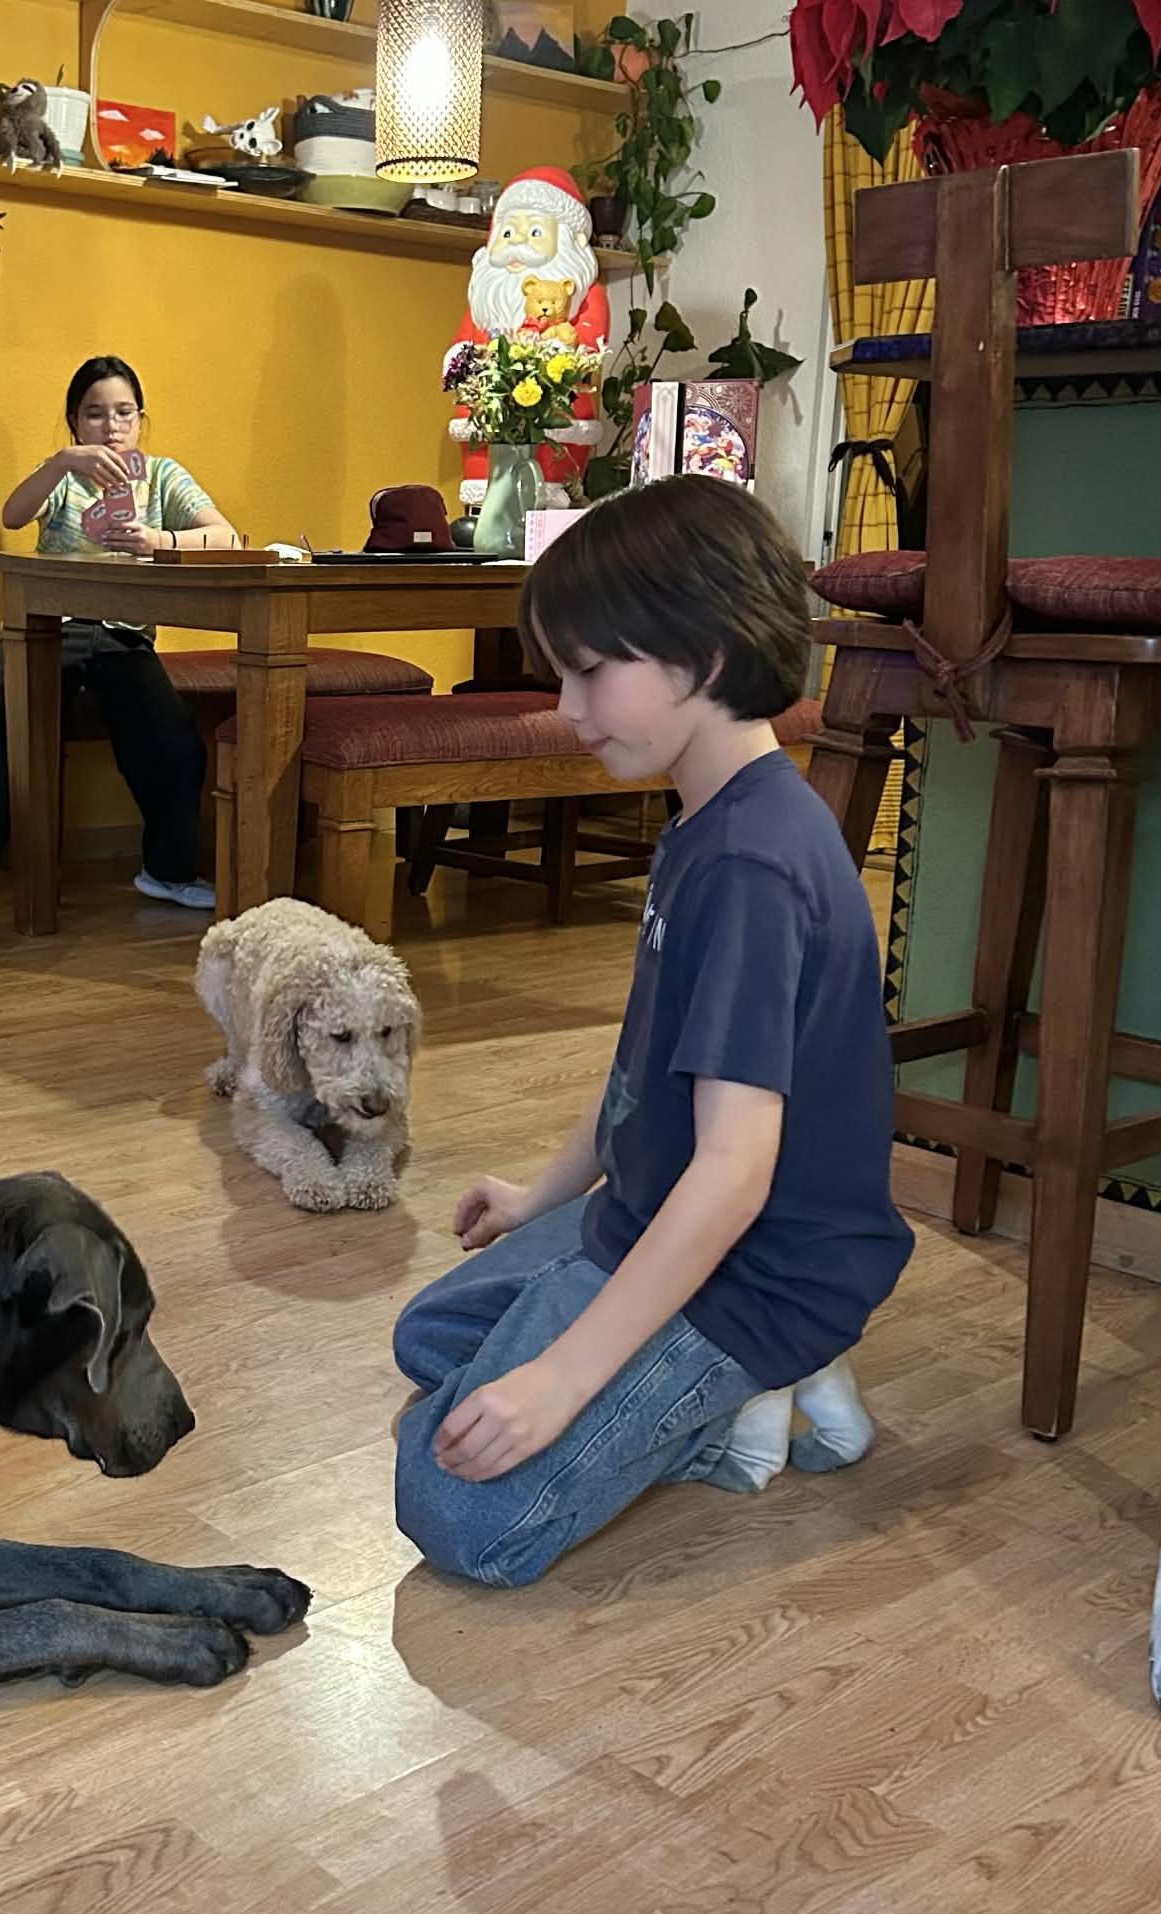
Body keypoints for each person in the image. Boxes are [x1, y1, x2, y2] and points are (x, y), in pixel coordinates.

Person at [391, 474, 913, 1588]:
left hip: (756, 1273)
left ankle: (745, 1396)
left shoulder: (754, 865)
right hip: (646, 1217)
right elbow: (644, 1061)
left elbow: (731, 1175)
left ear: (706, 655)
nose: (570, 709)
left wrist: (560, 1380)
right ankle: (672, 1376)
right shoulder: (701, 818)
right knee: (426, 1337)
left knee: (456, 1511)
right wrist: (542, 1194)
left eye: (591, 671)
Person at [0, 355, 238, 913]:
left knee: (173, 738)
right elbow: (11, 515)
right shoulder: (62, 475)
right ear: (75, 422)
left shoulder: (162, 476)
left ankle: (167, 870)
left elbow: (223, 537)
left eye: (124, 412)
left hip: (125, 636)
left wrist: (159, 541)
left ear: (140, 419)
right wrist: (60, 463)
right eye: (96, 414)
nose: (111, 425)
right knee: (9, 707)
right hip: (51, 626)